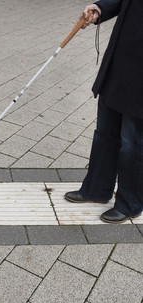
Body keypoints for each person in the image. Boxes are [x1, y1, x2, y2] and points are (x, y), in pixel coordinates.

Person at [65, 0, 143, 223]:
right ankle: (97, 188)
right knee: (105, 130)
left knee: (133, 140)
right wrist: (100, 8)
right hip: (121, 58)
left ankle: (130, 203)